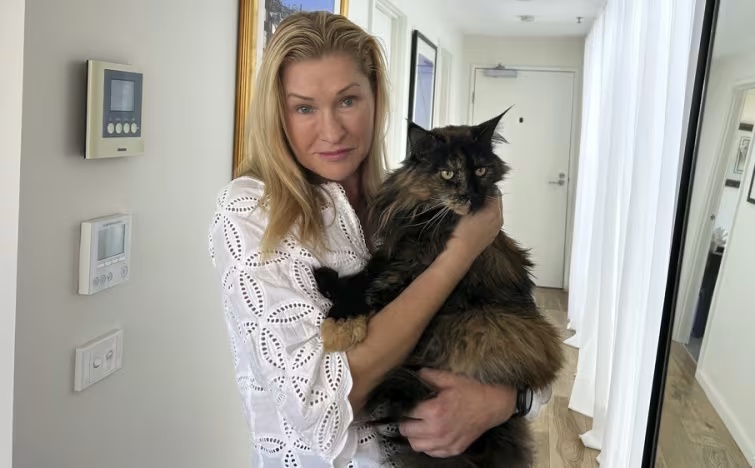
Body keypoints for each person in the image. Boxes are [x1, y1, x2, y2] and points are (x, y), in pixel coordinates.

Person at [208, 11, 551, 468]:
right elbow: (318, 402)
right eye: (304, 107)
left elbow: (526, 343)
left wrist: (504, 401)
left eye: (347, 101)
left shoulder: (413, 203)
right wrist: (461, 251)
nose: (331, 131)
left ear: (375, 99)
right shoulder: (251, 212)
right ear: (278, 114)